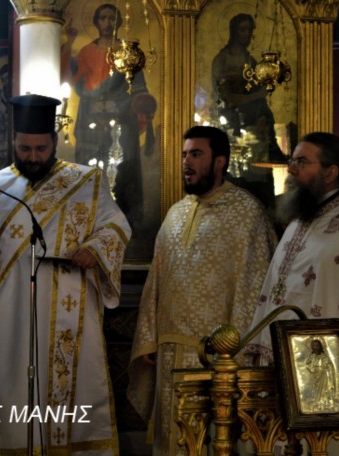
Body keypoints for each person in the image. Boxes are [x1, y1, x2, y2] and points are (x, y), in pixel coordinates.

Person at [0, 94, 131, 455]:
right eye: (25, 149)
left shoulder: (85, 182)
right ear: (13, 142)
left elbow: (116, 227)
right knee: (12, 399)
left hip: (73, 312)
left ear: (54, 141)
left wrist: (95, 249)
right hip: (13, 320)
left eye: (41, 148)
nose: (33, 157)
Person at [246, 132, 339, 455]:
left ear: (331, 172)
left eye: (302, 162)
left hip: (329, 378)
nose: (291, 169)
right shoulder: (299, 222)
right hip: (285, 371)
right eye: (292, 161)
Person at [127, 125, 277, 455]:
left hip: (216, 358)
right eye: (184, 155)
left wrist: (240, 351)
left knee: (211, 442)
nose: (186, 162)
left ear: (219, 162)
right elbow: (157, 279)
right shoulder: (176, 213)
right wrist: (150, 337)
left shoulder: (246, 213)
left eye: (196, 154)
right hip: (169, 351)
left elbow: (254, 285)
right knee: (170, 440)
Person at [61, 2, 157, 228]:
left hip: (123, 120)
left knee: (123, 168)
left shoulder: (128, 54)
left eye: (111, 18)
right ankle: (88, 219)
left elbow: (138, 89)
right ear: (96, 22)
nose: (107, 23)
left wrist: (124, 104)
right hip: (91, 119)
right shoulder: (87, 51)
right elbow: (76, 82)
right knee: (91, 166)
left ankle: (126, 220)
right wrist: (70, 41)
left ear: (119, 22)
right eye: (103, 18)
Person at [211, 13, 279, 208]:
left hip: (256, 130)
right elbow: (228, 98)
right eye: (243, 29)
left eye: (250, 30)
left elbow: (261, 93)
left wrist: (260, 109)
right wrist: (256, 97)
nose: (247, 34)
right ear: (234, 32)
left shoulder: (252, 61)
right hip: (234, 127)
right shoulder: (222, 60)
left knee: (260, 184)